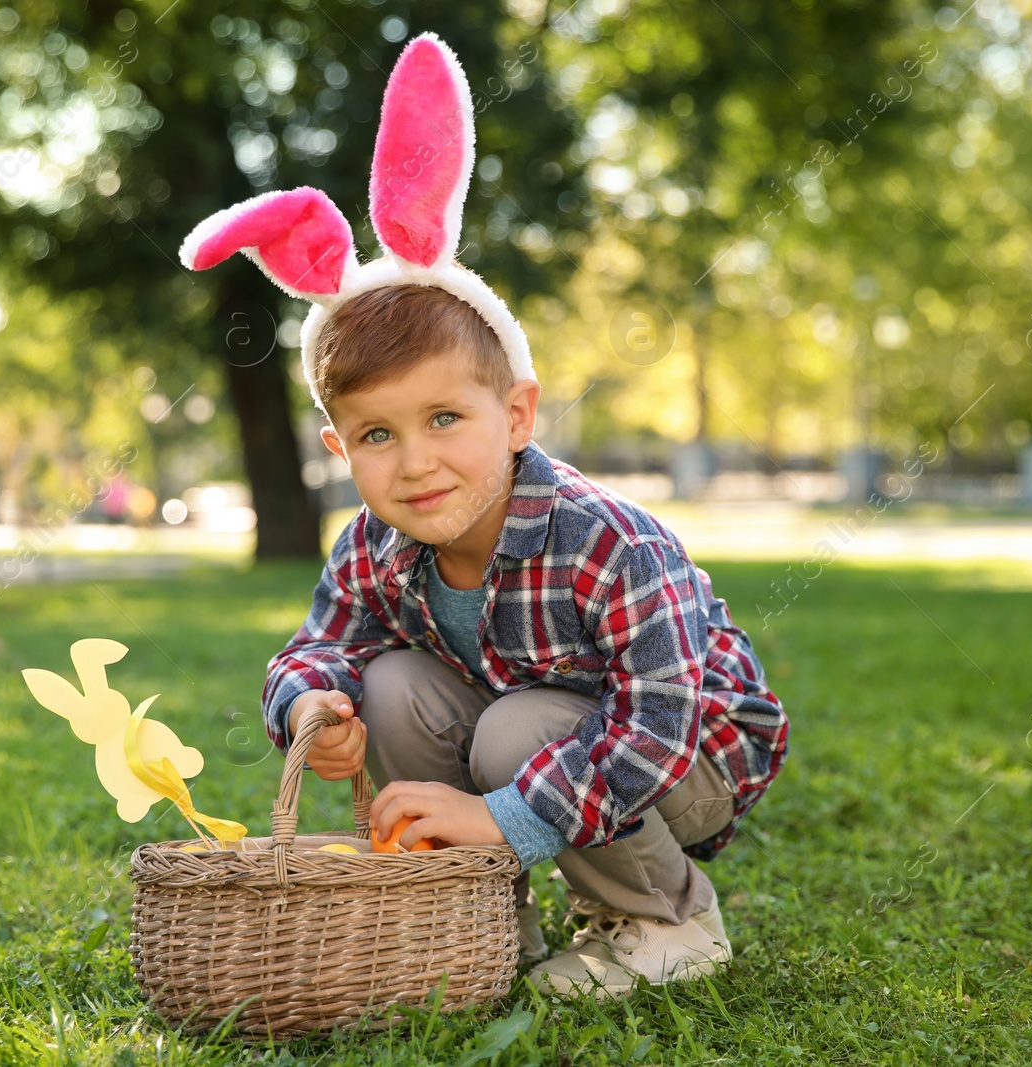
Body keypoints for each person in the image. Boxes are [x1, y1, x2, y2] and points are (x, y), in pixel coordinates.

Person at [177, 32, 788, 1000]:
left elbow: (660, 720)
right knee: (388, 683)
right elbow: (317, 646)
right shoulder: (372, 547)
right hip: (559, 741)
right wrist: (309, 704)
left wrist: (507, 811)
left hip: (690, 759)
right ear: (340, 451)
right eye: (376, 434)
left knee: (515, 727)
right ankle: (474, 911)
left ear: (516, 414)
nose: (415, 461)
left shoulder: (608, 541)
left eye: (445, 418)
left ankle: (662, 917)